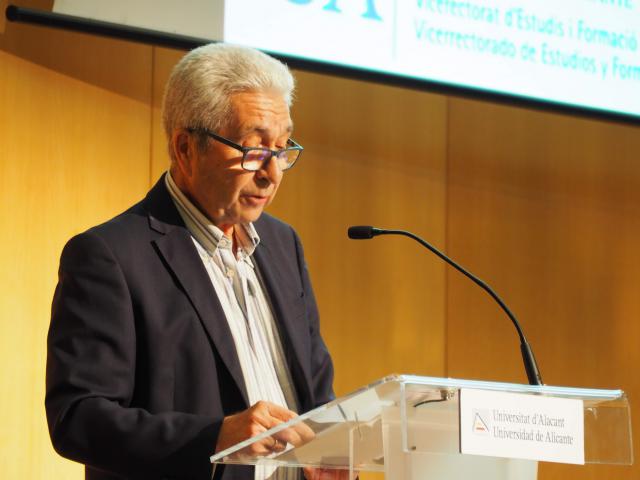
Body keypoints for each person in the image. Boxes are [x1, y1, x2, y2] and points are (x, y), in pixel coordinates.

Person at [45, 43, 337, 480]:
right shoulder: (111, 257)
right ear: (185, 148)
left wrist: (334, 448)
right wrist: (213, 438)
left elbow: (316, 392)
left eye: (281, 149)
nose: (272, 173)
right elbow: (78, 418)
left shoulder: (284, 245)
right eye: (254, 149)